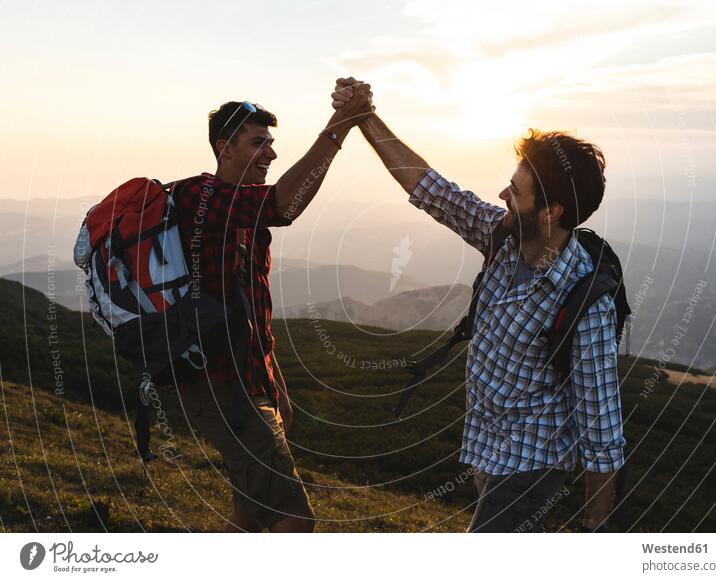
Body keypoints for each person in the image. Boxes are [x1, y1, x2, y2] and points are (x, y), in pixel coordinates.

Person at [332, 78, 625, 533]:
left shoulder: (586, 305)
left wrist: (594, 529)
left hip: (533, 463)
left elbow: (603, 432)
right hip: (488, 451)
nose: (503, 195)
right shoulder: (504, 236)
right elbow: (431, 189)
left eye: (516, 191)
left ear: (552, 213)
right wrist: (365, 118)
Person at [173, 83, 373, 533]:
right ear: (224, 148)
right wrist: (339, 127)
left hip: (246, 379)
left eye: (271, 144)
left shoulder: (245, 216)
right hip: (216, 382)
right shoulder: (199, 199)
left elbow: (252, 306)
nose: (270, 154)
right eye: (257, 142)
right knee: (296, 518)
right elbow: (285, 205)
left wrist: (272, 376)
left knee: (249, 513)